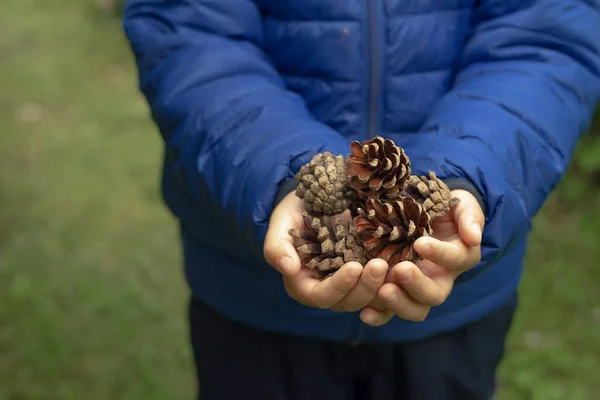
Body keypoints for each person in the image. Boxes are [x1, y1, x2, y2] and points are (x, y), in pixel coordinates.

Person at [122, 1, 600, 399]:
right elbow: (187, 33)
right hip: (251, 294)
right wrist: (285, 176)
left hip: (456, 310)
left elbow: (548, 37)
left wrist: (469, 173)